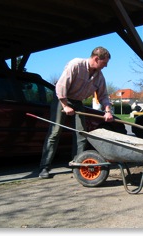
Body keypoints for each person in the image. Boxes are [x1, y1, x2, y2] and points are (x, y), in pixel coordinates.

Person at [39, 46, 113, 178]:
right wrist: (65, 106)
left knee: (81, 134)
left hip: (78, 102)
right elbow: (60, 86)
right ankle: (44, 168)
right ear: (96, 59)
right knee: (55, 132)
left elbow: (103, 96)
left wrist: (107, 111)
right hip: (61, 99)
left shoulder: (99, 76)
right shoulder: (76, 65)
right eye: (105, 62)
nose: (106, 66)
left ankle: (77, 165)